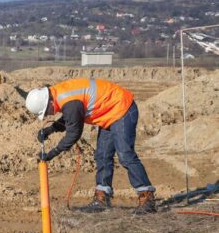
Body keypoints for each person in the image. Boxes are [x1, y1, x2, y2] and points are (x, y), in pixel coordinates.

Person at [25, 78, 156, 214]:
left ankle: (147, 198)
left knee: (125, 154)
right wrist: (51, 129)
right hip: (109, 112)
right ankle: (102, 198)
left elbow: (74, 133)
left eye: (46, 112)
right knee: (102, 155)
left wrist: (52, 153)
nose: (48, 114)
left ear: (49, 102)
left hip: (121, 108)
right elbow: (71, 117)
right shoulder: (61, 94)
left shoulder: (69, 101)